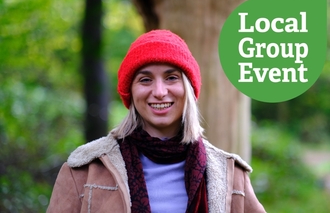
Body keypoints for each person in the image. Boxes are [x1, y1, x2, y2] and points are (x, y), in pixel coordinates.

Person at [47, 29, 266, 213]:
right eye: (145, 79)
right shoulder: (84, 170)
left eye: (171, 77)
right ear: (131, 92)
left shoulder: (230, 174)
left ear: (188, 90)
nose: (160, 92)